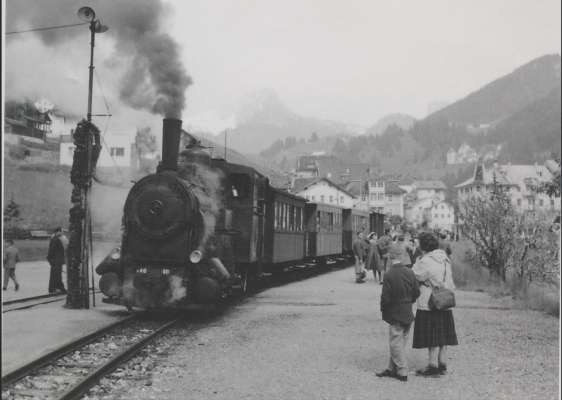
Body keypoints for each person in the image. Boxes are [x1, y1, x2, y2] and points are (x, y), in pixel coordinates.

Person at [412, 232, 458, 376]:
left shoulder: (425, 261)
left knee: (431, 334)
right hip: (444, 300)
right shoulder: (445, 259)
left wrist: (417, 261)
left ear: (422, 246)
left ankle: (432, 366)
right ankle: (442, 363)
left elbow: (415, 275)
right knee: (443, 333)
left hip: (429, 301)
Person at [376, 244, 420, 382]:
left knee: (395, 343)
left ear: (390, 257)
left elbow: (385, 298)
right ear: (401, 256)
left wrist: (383, 309)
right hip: (408, 312)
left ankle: (402, 370)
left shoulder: (389, 274)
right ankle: (391, 368)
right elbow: (416, 292)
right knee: (400, 343)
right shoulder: (410, 272)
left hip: (395, 313)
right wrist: (408, 302)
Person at [47, 227, 67, 294]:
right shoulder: (55, 240)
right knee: (56, 275)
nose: (62, 233)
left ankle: (54, 289)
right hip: (56, 260)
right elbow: (51, 251)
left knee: (55, 275)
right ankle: (58, 289)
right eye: (61, 231)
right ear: (58, 232)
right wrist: (50, 259)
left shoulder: (55, 239)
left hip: (56, 260)